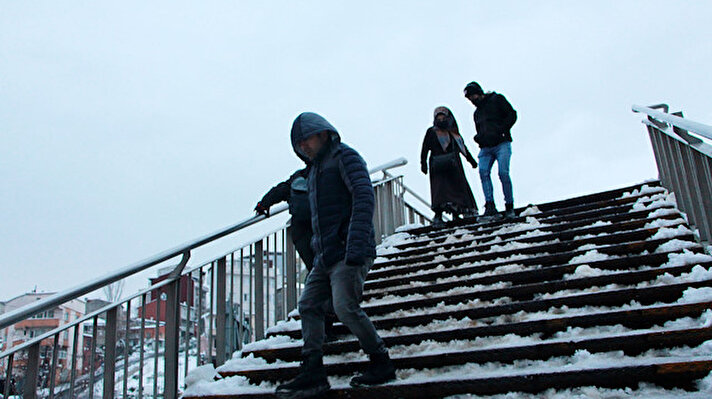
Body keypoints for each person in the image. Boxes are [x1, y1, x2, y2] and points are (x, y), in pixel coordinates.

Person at [276, 112, 395, 399]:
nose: (303, 146)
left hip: (349, 249)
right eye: (299, 143)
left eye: (307, 139)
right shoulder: (315, 170)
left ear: (323, 133)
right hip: (325, 255)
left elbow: (364, 196)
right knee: (309, 305)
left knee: (344, 307)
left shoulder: (345, 156)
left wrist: (355, 244)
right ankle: (313, 372)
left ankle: (381, 362)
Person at [255, 169, 339, 340]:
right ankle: (326, 323)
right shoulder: (328, 173)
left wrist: (263, 204)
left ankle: (318, 322)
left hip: (300, 232)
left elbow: (279, 190)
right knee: (327, 274)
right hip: (322, 230)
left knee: (316, 273)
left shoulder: (297, 177)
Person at [464, 81, 518, 219]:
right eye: (470, 99)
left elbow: (512, 114)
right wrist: (479, 138)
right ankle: (490, 204)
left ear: (479, 92)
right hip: (486, 147)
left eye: (473, 96)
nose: (472, 100)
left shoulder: (496, 99)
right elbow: (480, 128)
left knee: (503, 173)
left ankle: (509, 205)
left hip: (502, 143)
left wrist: (502, 130)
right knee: (483, 172)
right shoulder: (477, 113)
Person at [420, 106, 478, 226]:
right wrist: (423, 163)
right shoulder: (431, 132)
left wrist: (471, 161)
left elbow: (462, 147)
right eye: (439, 117)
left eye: (443, 117)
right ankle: (438, 215)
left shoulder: (453, 132)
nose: (441, 120)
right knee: (439, 191)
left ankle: (456, 213)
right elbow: (425, 148)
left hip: (453, 165)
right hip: (438, 166)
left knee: (456, 188)